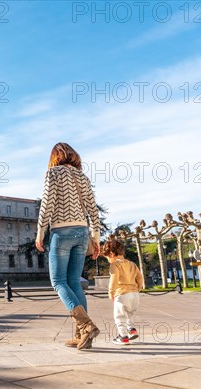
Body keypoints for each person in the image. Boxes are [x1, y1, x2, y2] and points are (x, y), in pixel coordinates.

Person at [36, 142, 101, 350]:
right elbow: (93, 208)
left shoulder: (53, 173)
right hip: (82, 232)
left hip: (61, 232)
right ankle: (81, 335)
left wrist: (40, 233)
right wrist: (96, 238)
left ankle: (85, 325)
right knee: (74, 281)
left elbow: (46, 204)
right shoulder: (83, 177)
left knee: (58, 281)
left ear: (55, 156)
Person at [101, 237, 144, 345]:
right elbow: (140, 277)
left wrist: (111, 292)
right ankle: (132, 330)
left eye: (107, 257)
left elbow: (114, 278)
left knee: (119, 316)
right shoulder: (132, 264)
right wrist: (137, 288)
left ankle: (123, 337)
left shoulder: (115, 265)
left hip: (122, 295)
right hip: (134, 295)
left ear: (111, 253)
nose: (108, 260)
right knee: (130, 314)